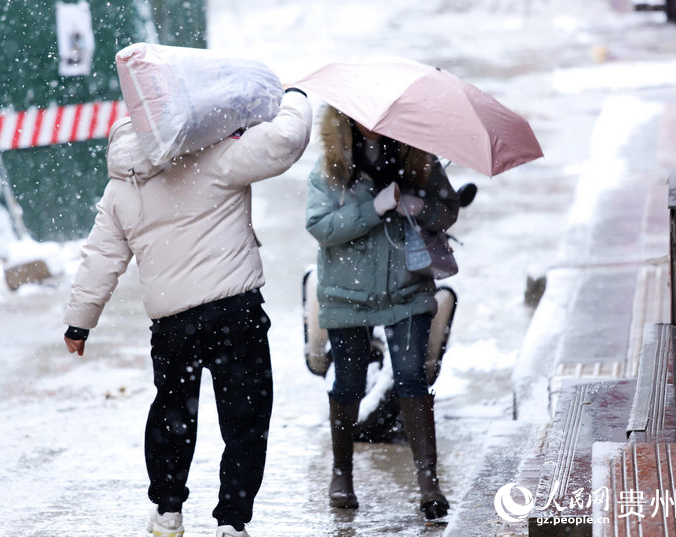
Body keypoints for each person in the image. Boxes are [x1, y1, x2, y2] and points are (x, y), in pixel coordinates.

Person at [63, 87, 312, 537]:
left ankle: (167, 510)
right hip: (235, 312)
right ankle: (232, 521)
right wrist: (294, 96)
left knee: (173, 413)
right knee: (246, 418)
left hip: (173, 323)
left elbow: (101, 256)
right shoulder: (218, 154)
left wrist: (81, 319)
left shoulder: (123, 184)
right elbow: (285, 142)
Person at [304, 105, 460, 520]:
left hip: (406, 290)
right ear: (346, 117)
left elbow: (448, 209)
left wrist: (415, 204)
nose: (371, 120)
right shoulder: (330, 168)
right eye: (361, 113)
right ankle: (341, 474)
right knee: (349, 383)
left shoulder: (417, 158)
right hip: (346, 294)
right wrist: (373, 208)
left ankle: (429, 482)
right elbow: (320, 227)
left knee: (413, 377)